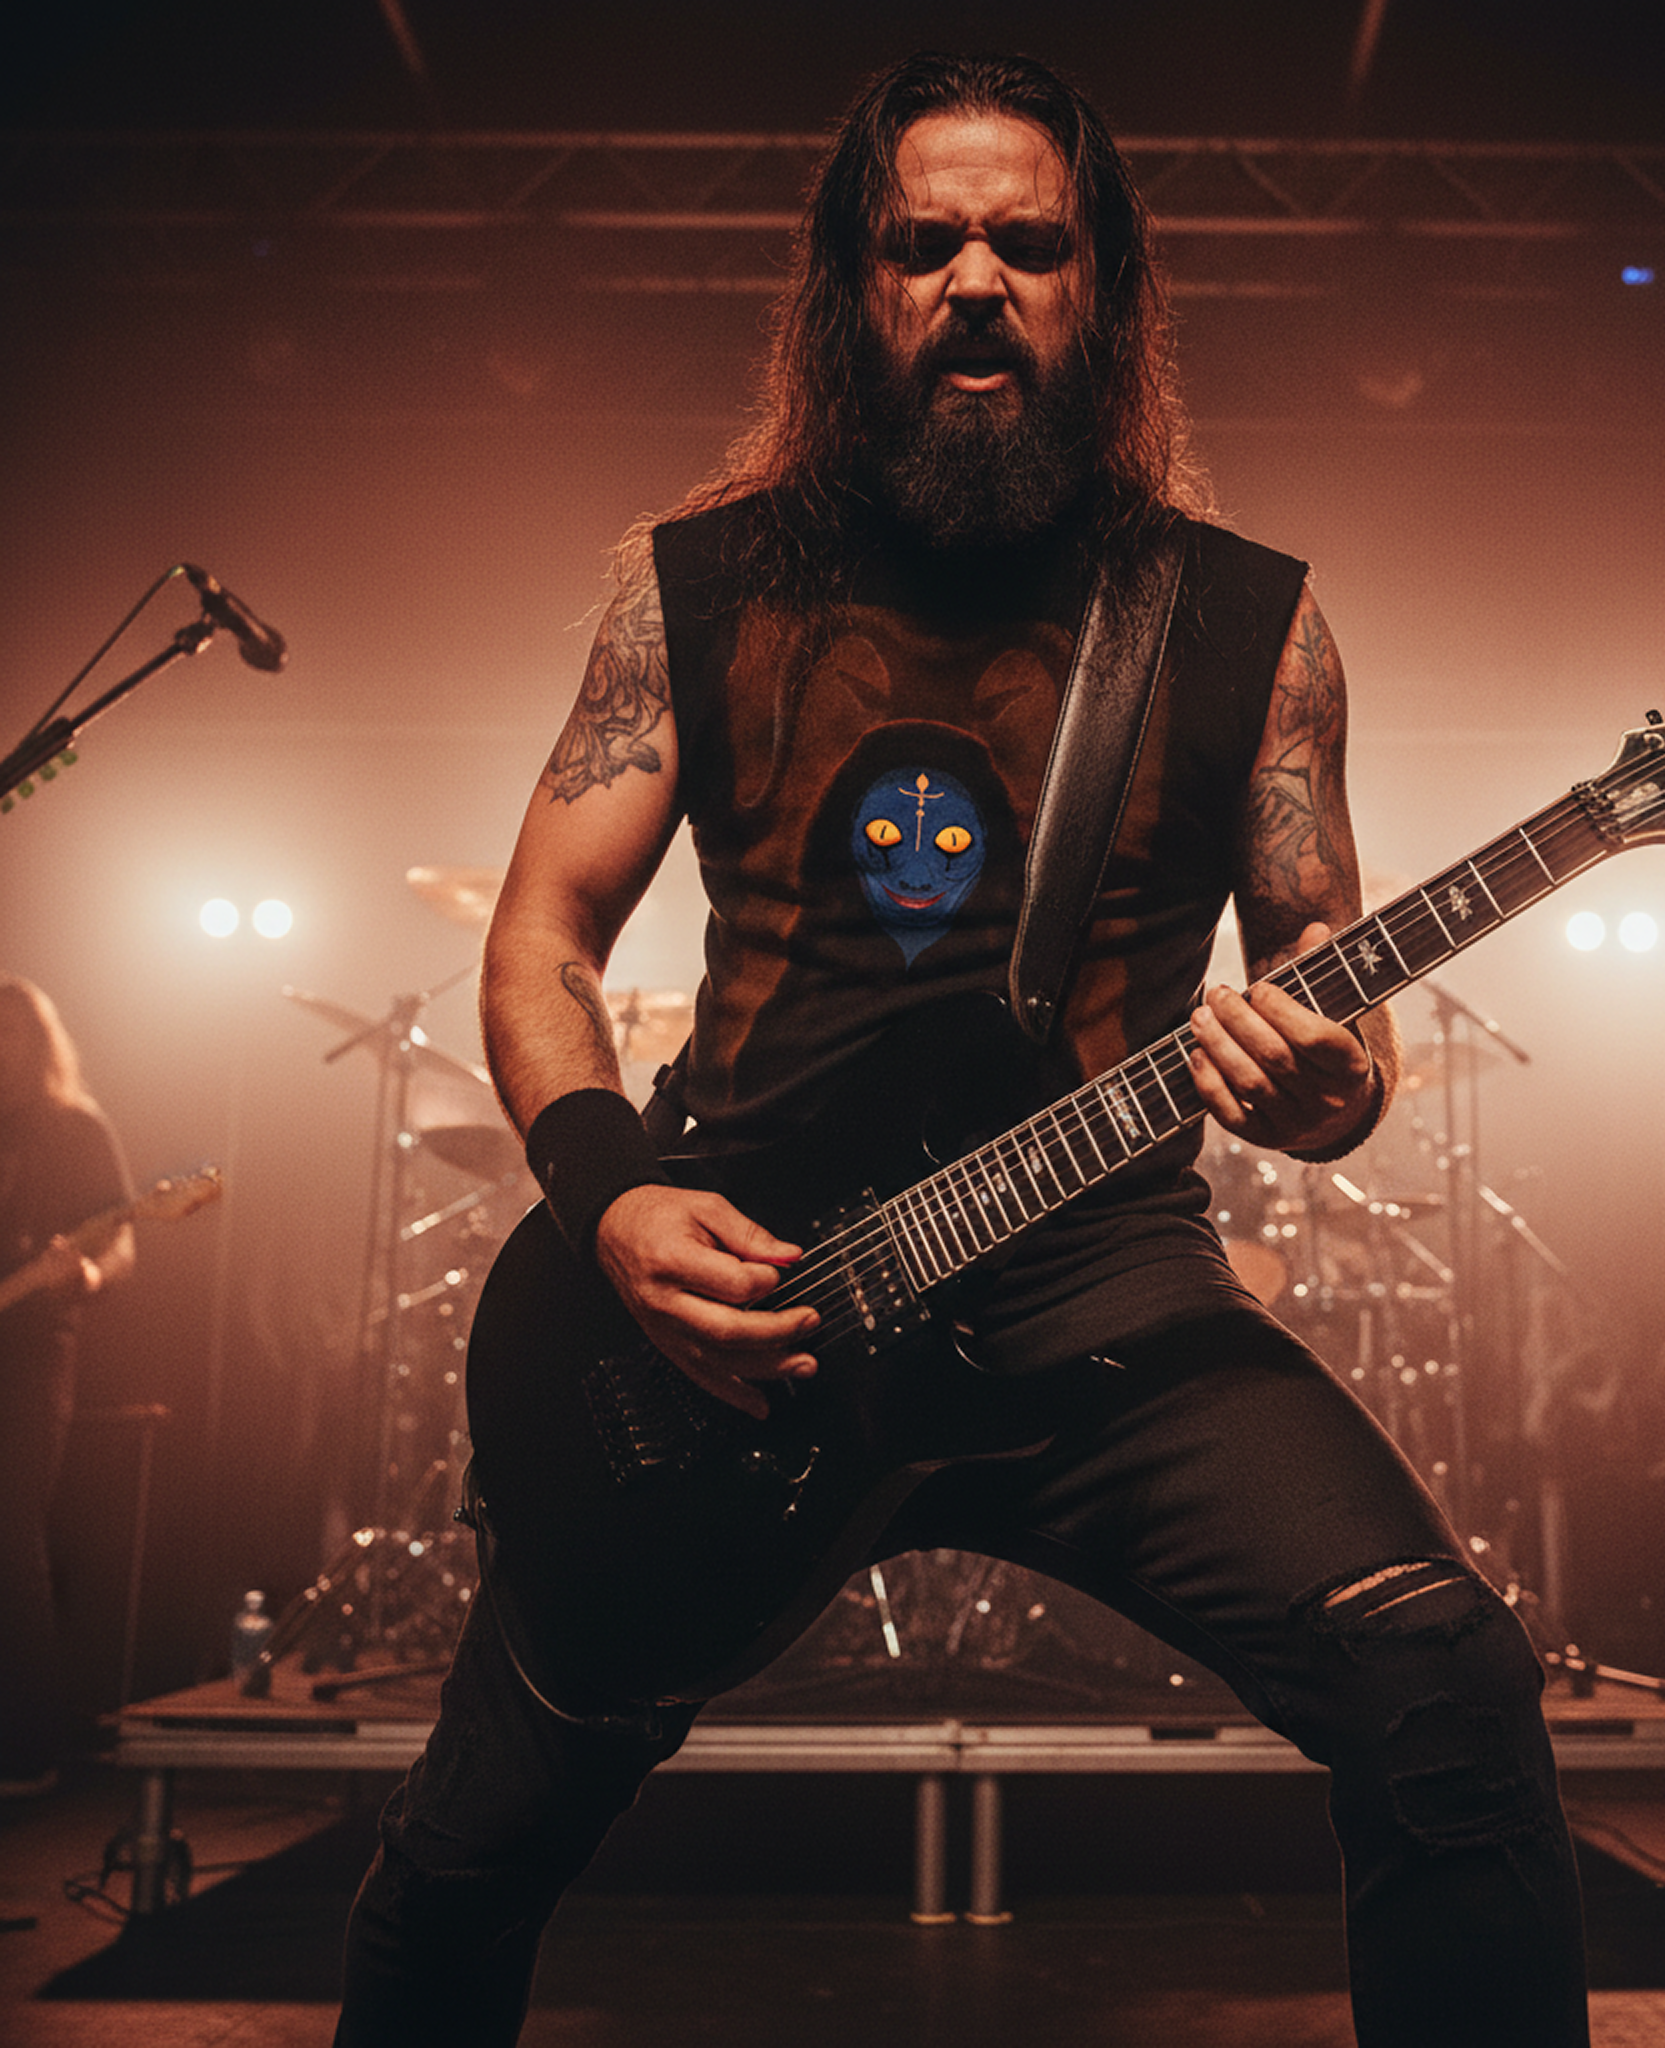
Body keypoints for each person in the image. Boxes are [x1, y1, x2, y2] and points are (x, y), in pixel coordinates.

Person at [336, 53, 1589, 2044]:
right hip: (742, 1302)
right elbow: (543, 935)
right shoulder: (695, 586)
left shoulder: (1247, 622)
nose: (979, 281)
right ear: (858, 284)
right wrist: (612, 1196)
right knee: (477, 1840)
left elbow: (1330, 1000)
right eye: (927, 243)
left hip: (1105, 1293)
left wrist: (1326, 1077)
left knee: (1441, 1681)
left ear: (1104, 287)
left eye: (1032, 242)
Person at [0, 975, 133, 1795]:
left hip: (30, 1354)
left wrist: (78, 1276)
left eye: (14, 1033)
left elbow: (122, 1242)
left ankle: (28, 1749)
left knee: (11, 1538)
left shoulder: (76, 1130)